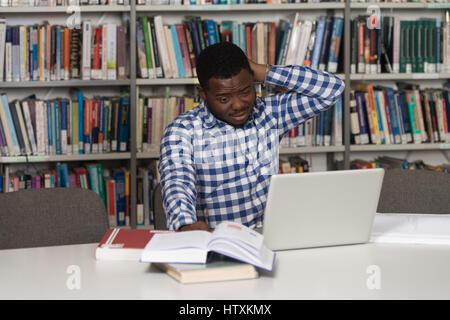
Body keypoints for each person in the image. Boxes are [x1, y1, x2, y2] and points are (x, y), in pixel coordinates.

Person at [158, 41, 345, 232]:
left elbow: (332, 89)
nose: (238, 105)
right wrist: (186, 225)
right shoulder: (182, 131)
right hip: (216, 241)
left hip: (268, 238)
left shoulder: (269, 114)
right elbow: (177, 182)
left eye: (246, 91)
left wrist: (265, 72)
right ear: (203, 94)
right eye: (224, 99)